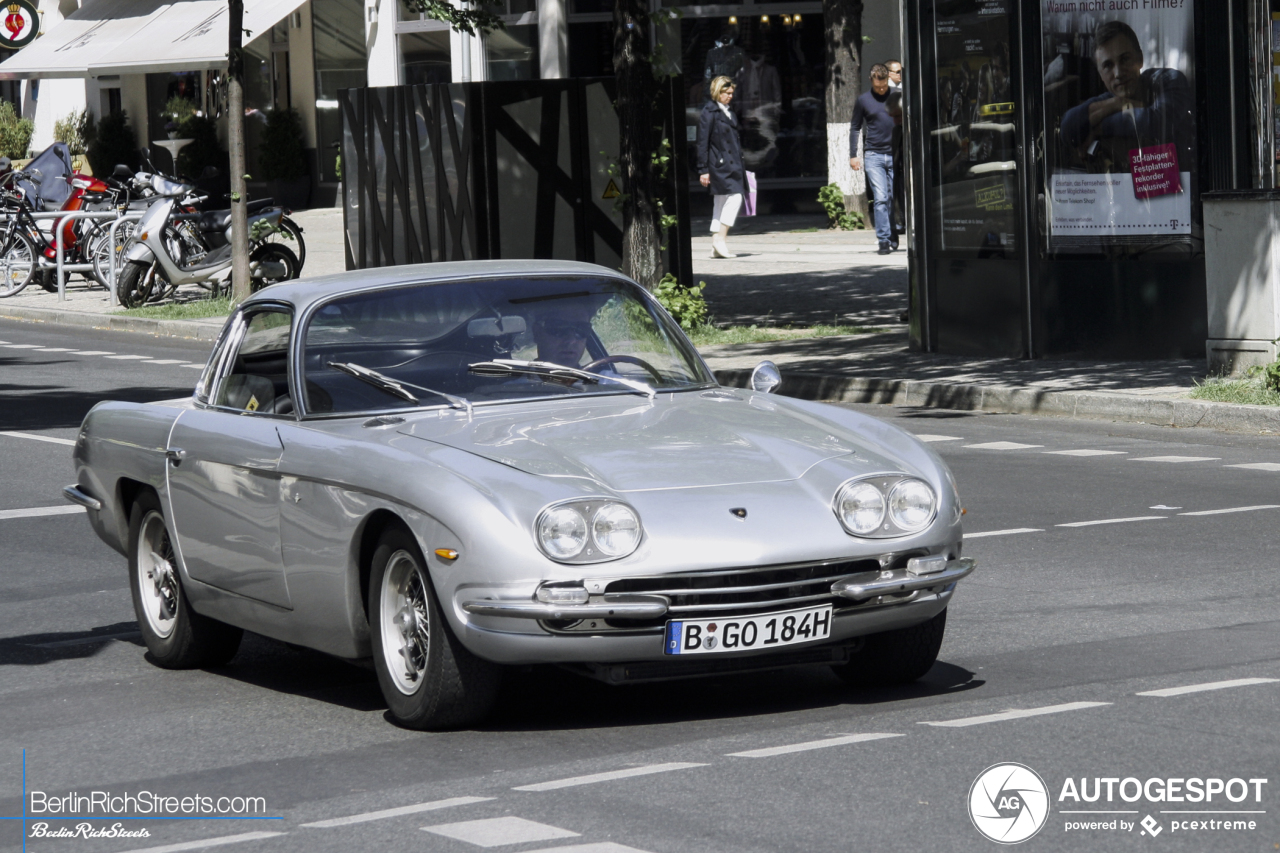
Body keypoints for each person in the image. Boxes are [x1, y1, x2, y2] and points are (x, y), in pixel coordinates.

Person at [1059, 20, 1193, 173]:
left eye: (1125, 59)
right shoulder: (1110, 100)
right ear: (1101, 75)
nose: (1118, 74)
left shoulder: (1169, 80)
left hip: (1179, 188)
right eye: (1108, 65)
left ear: (1140, 59)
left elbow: (1158, 121)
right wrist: (1118, 103)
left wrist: (1097, 129)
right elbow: (1067, 129)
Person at [849, 64, 897, 254]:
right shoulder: (863, 100)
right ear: (871, 81)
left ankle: (893, 233)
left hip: (895, 153)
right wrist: (853, 155)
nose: (882, 89)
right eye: (878, 87)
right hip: (873, 155)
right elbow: (855, 127)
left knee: (893, 198)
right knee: (881, 198)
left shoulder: (897, 96)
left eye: (884, 85)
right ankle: (883, 240)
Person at [697, 75, 746, 259]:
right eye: (727, 93)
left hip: (732, 164)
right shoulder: (709, 112)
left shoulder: (729, 112)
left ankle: (716, 243)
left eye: (732, 93)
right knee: (735, 197)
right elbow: (702, 143)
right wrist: (703, 169)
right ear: (718, 92)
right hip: (720, 165)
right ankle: (720, 239)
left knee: (721, 202)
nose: (730, 96)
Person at [531, 302, 596, 368]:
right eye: (558, 328)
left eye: (581, 329)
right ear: (537, 332)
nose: (571, 340)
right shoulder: (522, 378)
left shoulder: (602, 377)